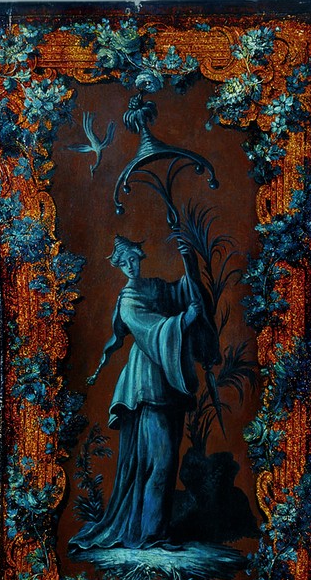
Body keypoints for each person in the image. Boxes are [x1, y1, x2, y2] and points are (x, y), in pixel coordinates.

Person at [71, 235, 219, 552]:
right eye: (123, 262)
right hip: (147, 380)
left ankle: (156, 529)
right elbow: (153, 331)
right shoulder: (128, 302)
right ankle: (151, 534)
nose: (130, 266)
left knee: (169, 456)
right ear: (118, 266)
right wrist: (184, 320)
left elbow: (183, 292)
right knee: (159, 459)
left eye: (133, 259)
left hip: (168, 376)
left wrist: (189, 261)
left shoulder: (154, 286)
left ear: (139, 256)